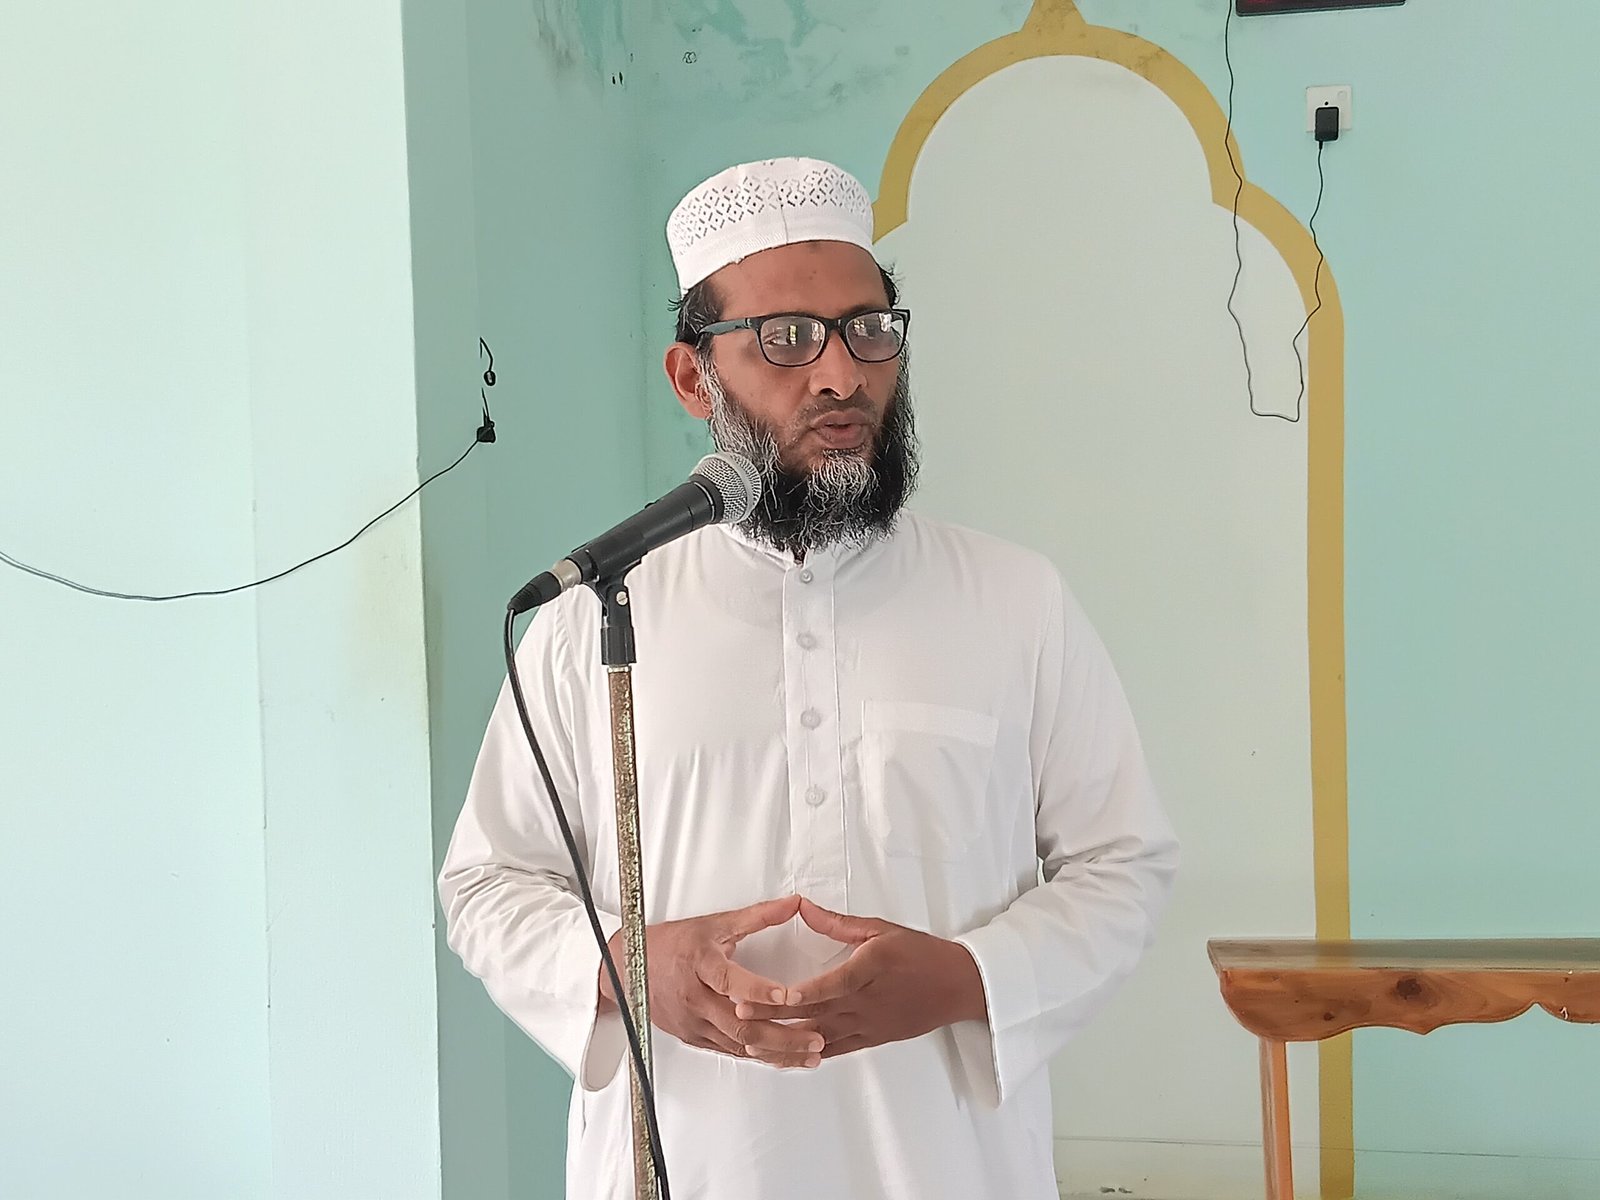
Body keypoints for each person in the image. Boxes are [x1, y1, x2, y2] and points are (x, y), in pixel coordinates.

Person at [438, 156, 1179, 1200]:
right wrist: (623, 969)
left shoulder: (1017, 601)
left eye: (868, 329)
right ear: (692, 378)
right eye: (786, 337)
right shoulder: (591, 618)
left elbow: (1122, 863)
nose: (841, 374)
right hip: (685, 1164)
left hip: (946, 1167)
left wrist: (965, 979)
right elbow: (487, 885)